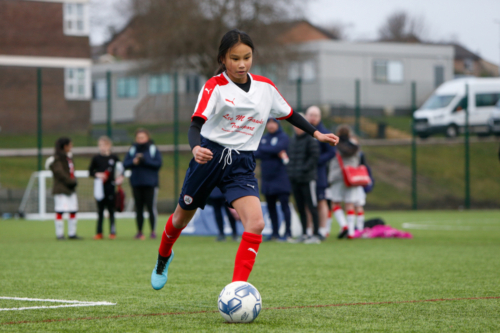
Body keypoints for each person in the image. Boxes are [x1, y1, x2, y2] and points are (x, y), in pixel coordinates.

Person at [150, 29, 338, 291]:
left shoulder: (265, 87)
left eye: (247, 57)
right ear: (222, 59)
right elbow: (195, 126)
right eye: (235, 58)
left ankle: (238, 289)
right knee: (181, 219)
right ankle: (163, 257)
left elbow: (290, 114)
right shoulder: (213, 86)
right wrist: (195, 149)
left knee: (256, 223)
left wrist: (316, 133)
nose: (241, 64)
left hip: (242, 164)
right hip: (209, 158)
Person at [254, 118, 292, 241]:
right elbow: (256, 153)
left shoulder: (283, 137)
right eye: (268, 122)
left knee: (284, 206)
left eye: (273, 122)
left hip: (281, 177)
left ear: (278, 124)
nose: (271, 125)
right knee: (271, 207)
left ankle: (288, 233)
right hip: (267, 178)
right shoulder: (264, 137)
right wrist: (272, 150)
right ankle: (274, 233)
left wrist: (265, 148)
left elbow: (278, 148)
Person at [287, 116, 321, 244]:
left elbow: (314, 157)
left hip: (307, 179)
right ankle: (305, 233)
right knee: (300, 207)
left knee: (312, 206)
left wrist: (303, 170)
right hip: (295, 179)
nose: (297, 128)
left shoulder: (311, 140)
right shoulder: (293, 140)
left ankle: (316, 234)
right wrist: (291, 172)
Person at [123, 129, 162, 240]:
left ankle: (153, 232)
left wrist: (144, 160)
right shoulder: (132, 149)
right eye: (138, 137)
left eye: (142, 137)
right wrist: (133, 162)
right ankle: (139, 232)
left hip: (150, 184)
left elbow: (158, 164)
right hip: (136, 183)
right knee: (138, 208)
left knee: (150, 208)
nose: (140, 140)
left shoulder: (153, 149)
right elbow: (125, 164)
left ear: (147, 137)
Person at [305, 106, 336, 238]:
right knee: (307, 201)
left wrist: (316, 161)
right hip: (305, 172)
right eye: (310, 115)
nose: (313, 118)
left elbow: (331, 152)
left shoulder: (323, 133)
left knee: (321, 200)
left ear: (319, 117)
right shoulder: (303, 132)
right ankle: (308, 228)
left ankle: (323, 228)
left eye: (315, 115)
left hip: (319, 173)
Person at [328, 125, 363, 239]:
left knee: (335, 203)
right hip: (351, 177)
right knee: (350, 203)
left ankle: (344, 226)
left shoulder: (335, 144)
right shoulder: (355, 145)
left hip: (338, 176)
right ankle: (352, 232)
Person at [88, 136, 124, 240]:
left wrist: (120, 177)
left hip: (110, 187)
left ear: (109, 145)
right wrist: (98, 174)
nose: (102, 147)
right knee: (100, 210)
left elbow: (121, 170)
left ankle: (112, 232)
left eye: (104, 145)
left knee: (111, 210)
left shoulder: (114, 158)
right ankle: (99, 232)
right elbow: (90, 171)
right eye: (100, 145)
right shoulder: (96, 158)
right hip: (99, 187)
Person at [46, 137, 82, 240]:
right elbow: (59, 173)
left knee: (73, 210)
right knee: (60, 210)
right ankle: (60, 234)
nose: (72, 147)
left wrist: (73, 181)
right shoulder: (56, 158)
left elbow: (71, 171)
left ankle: (72, 233)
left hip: (71, 188)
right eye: (70, 145)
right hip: (61, 188)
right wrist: (71, 181)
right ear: (65, 146)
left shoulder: (68, 157)